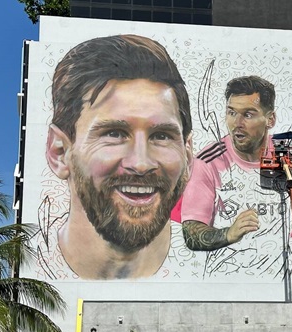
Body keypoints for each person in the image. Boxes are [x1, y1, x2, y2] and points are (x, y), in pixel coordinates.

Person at [45, 35, 192, 279]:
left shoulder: (223, 267)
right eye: (114, 133)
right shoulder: (25, 272)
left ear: (188, 155)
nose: (141, 163)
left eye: (162, 136)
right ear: (59, 152)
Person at [181, 76, 292, 275]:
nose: (236, 123)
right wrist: (228, 233)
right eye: (231, 113)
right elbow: (191, 231)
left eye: (248, 114)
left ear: (270, 119)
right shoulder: (208, 161)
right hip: (230, 285)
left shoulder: (290, 151)